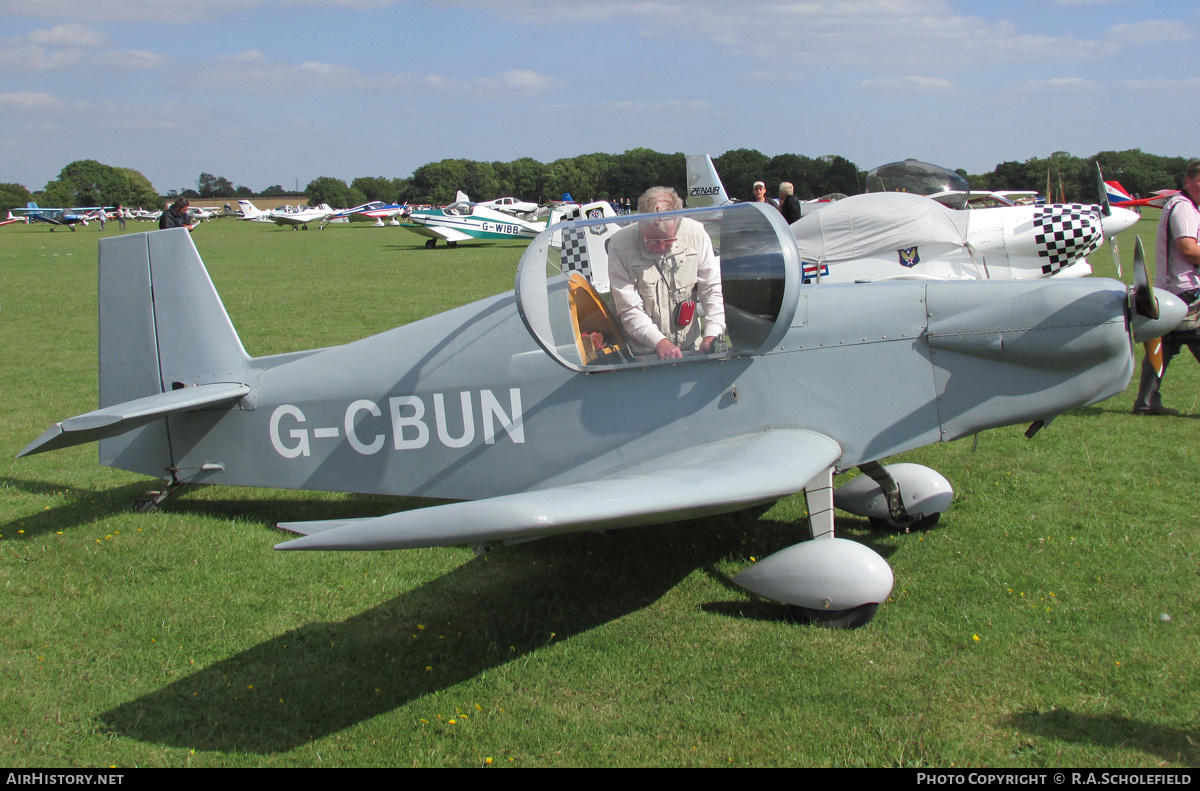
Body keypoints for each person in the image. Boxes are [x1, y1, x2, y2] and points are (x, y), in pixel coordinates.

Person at [607, 186, 726, 360]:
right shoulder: (618, 245)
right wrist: (659, 342)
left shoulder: (697, 235)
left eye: (669, 239)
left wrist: (713, 333)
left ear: (679, 224)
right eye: (653, 240)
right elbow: (628, 308)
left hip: (688, 346)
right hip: (642, 353)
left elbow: (711, 289)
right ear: (640, 224)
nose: (662, 246)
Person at [1131, 160, 1200, 416]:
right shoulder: (1184, 208)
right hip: (1184, 292)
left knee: (1162, 347)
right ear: (1188, 181)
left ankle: (1146, 403)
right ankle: (1146, 403)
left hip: (1171, 290)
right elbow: (1188, 249)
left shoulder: (1186, 206)